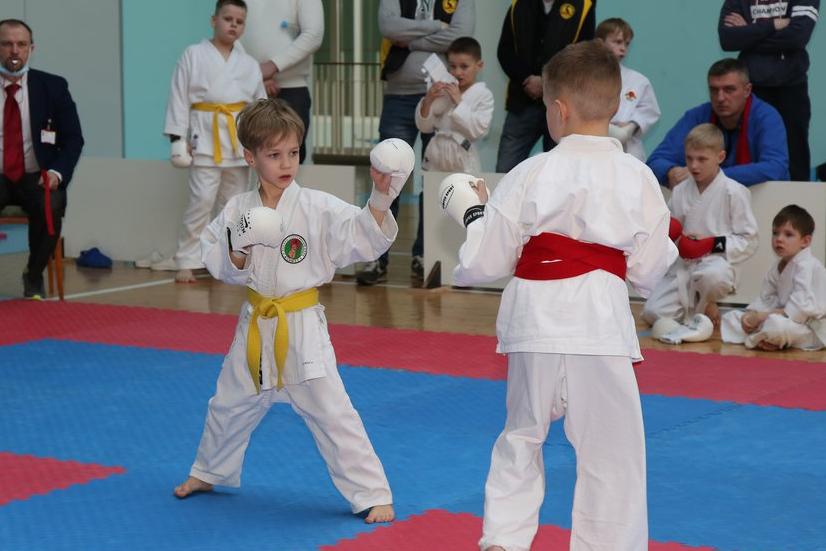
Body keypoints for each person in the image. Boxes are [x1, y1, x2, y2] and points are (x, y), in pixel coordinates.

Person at [442, 41, 677, 551]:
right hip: (599, 323)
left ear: (558, 110)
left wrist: (475, 215)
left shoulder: (530, 172)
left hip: (535, 319)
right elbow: (648, 270)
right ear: (614, 106)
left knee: (522, 435)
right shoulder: (637, 176)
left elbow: (483, 264)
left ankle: (503, 539)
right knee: (611, 451)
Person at [172, 98, 414, 525]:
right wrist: (239, 249)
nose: (286, 163)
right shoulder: (237, 209)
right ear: (251, 157)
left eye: (293, 152)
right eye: (274, 155)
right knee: (228, 404)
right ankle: (209, 471)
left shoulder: (317, 207)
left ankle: (372, 492)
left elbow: (361, 237)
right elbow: (218, 263)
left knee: (332, 412)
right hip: (255, 323)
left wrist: (380, 196)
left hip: (301, 327)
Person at [356, 0, 475, 286]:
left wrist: (409, 41)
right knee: (387, 174)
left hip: (442, 97)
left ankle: (425, 256)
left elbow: (460, 35)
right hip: (398, 95)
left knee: (434, 180)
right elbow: (388, 26)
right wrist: (436, 27)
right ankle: (376, 257)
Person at [156, 0, 266, 283]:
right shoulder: (193, 55)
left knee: (235, 205)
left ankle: (231, 260)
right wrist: (177, 139)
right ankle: (187, 260)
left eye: (239, 22)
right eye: (228, 19)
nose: (233, 25)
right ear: (213, 20)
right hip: (204, 138)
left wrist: (260, 144)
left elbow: (260, 105)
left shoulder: (249, 64)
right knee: (201, 202)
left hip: (238, 141)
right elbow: (179, 97)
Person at [642, 123, 759, 334]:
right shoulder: (680, 191)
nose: (694, 166)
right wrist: (673, 236)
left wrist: (711, 244)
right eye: (689, 159)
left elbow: (749, 239)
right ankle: (701, 310)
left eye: (702, 159)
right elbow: (671, 231)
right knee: (653, 312)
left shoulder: (734, 192)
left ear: (720, 157)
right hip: (684, 266)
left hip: (716, 263)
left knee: (712, 277)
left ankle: (706, 303)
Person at [0, 19, 83, 299]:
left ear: (31, 49)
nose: (14, 50)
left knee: (52, 203)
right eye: (7, 44)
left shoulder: (53, 87)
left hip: (37, 175)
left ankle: (33, 274)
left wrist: (57, 173)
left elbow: (73, 139)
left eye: (21, 44)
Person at [647, 58, 788, 189]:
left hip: (765, 201)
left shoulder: (767, 117)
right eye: (714, 90)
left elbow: (775, 167)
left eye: (729, 90)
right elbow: (656, 161)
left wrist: (712, 175)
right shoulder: (697, 116)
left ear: (747, 90)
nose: (720, 98)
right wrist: (671, 172)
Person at [719, 0, 820, 182]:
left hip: (791, 86)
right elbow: (727, 39)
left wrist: (749, 33)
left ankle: (798, 200)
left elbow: (797, 37)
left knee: (795, 155)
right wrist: (773, 25)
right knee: (750, 152)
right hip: (753, 86)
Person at [495, 0, 596, 173]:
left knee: (559, 173)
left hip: (562, 107)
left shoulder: (583, 6)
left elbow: (583, 57)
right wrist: (526, 78)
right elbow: (505, 51)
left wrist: (546, 82)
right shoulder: (519, 5)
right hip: (522, 103)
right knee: (505, 170)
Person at [722, 204, 826, 350]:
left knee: (777, 326)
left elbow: (799, 311)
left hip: (810, 327)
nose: (779, 239)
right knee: (732, 318)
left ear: (805, 241)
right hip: (782, 317)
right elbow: (766, 299)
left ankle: (772, 338)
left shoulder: (807, 266)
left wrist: (761, 317)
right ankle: (769, 338)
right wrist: (752, 314)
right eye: (775, 233)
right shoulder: (778, 266)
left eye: (788, 234)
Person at [241, 0, 324, 164]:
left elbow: (313, 35)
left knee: (288, 158)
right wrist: (255, 75)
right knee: (246, 153)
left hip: (291, 88)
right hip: (246, 87)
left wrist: (273, 66)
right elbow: (232, 33)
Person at [415, 36, 493, 174]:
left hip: (463, 156)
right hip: (436, 154)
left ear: (479, 65)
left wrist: (459, 101)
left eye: (464, 67)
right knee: (432, 188)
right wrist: (428, 99)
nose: (457, 72)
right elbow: (425, 127)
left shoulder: (484, 95)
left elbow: (479, 131)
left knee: (463, 188)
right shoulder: (443, 91)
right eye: (452, 66)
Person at [595, 17, 660, 161]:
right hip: (594, 147)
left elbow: (650, 111)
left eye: (627, 43)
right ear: (600, 43)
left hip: (628, 151)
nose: (623, 48)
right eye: (617, 42)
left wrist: (630, 127)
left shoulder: (638, 81)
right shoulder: (584, 77)